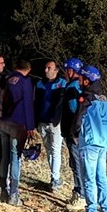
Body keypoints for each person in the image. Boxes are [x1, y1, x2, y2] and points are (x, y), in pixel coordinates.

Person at [74, 65, 107, 212]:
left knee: (88, 178)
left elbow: (78, 119)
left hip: (89, 141)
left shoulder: (85, 98)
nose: (79, 81)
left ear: (86, 80)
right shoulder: (102, 97)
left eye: (80, 78)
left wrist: (74, 134)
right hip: (103, 141)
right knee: (102, 178)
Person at [0, 58, 35, 206]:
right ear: (28, 70)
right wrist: (30, 126)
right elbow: (28, 105)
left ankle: (3, 191)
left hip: (3, 122)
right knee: (15, 157)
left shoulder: (6, 79)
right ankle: (14, 194)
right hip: (18, 124)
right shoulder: (25, 82)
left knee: (4, 156)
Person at [34, 60, 66, 192]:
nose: (46, 70)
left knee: (56, 150)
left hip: (55, 123)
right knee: (49, 151)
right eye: (46, 68)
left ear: (56, 70)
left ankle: (55, 178)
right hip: (42, 122)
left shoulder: (62, 84)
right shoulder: (40, 83)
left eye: (49, 68)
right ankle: (54, 177)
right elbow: (35, 103)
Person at [60, 58, 85, 206]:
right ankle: (79, 192)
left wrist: (73, 131)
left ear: (72, 71)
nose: (66, 73)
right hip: (77, 132)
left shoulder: (72, 88)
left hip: (73, 132)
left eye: (67, 70)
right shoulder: (79, 86)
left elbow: (74, 109)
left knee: (76, 163)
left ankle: (80, 195)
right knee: (76, 163)